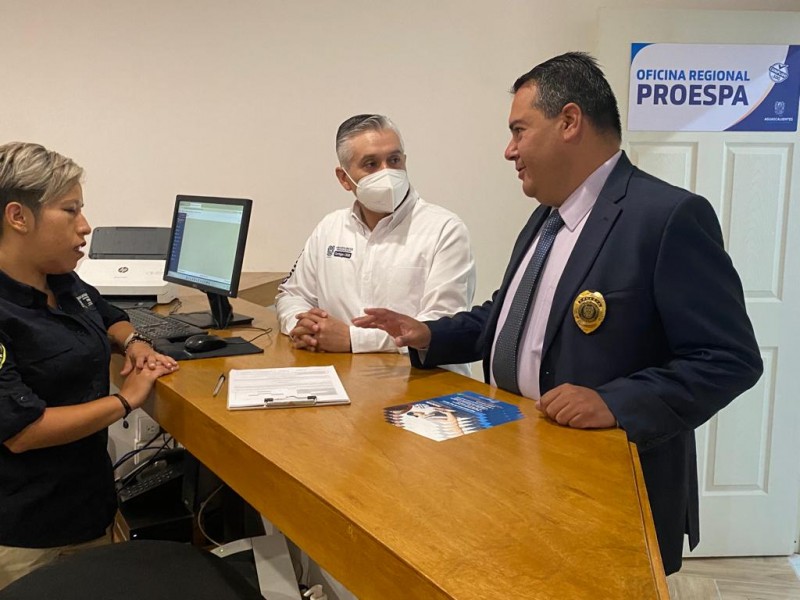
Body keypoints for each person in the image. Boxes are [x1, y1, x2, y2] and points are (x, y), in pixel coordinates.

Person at [353, 52, 763, 574]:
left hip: (610, 489)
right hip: (524, 467)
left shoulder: (666, 217)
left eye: (518, 131)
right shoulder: (545, 218)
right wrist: (428, 334)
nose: (509, 150)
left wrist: (614, 402)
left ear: (569, 121)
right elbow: (508, 317)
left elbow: (728, 359)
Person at [0, 142, 179, 588]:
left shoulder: (60, 278)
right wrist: (126, 400)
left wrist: (133, 342)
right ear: (18, 217)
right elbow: (24, 431)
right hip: (28, 535)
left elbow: (108, 315)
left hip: (88, 509)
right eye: (70, 210)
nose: (85, 226)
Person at [275, 114, 475, 373]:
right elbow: (292, 295)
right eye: (371, 164)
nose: (387, 173)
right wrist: (305, 327)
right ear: (344, 178)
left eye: (394, 160)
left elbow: (439, 327)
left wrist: (352, 339)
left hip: (423, 381)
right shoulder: (330, 227)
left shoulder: (445, 229)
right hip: (344, 376)